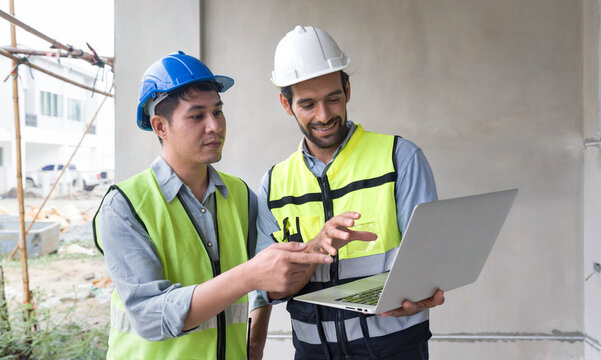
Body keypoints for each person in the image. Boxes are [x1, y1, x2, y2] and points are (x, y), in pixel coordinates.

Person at [93, 51, 338, 360]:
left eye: (218, 112)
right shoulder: (125, 206)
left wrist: (316, 247)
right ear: (160, 126)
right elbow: (150, 315)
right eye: (197, 116)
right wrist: (248, 276)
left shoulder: (240, 195)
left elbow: (265, 287)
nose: (214, 126)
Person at [252, 26, 445, 359]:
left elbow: (430, 263)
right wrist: (314, 249)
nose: (324, 116)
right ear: (286, 104)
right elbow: (270, 288)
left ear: (348, 89)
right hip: (313, 353)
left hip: (395, 350)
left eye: (333, 98)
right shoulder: (274, 184)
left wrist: (427, 290)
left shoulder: (399, 158)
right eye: (308, 104)